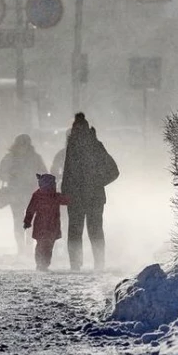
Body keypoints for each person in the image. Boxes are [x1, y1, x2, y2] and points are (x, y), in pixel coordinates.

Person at [60, 113, 119, 270]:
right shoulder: (96, 145)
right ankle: (98, 263)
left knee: (75, 231)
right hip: (94, 196)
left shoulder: (73, 147)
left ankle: (75, 264)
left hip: (76, 196)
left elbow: (67, 174)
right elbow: (114, 171)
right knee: (95, 231)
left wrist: (65, 193)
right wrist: (98, 182)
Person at [0, 134, 47, 255]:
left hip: (24, 194)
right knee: (21, 221)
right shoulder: (34, 157)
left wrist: (11, 176)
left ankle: (26, 247)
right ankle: (22, 247)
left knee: (24, 221)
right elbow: (44, 173)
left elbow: (1, 173)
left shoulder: (11, 157)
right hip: (22, 194)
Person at [23, 173, 70, 271]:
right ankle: (44, 264)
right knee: (48, 246)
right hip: (52, 226)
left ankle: (40, 264)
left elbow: (30, 210)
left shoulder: (37, 195)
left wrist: (27, 221)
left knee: (41, 245)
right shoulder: (55, 196)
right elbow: (68, 200)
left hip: (40, 226)